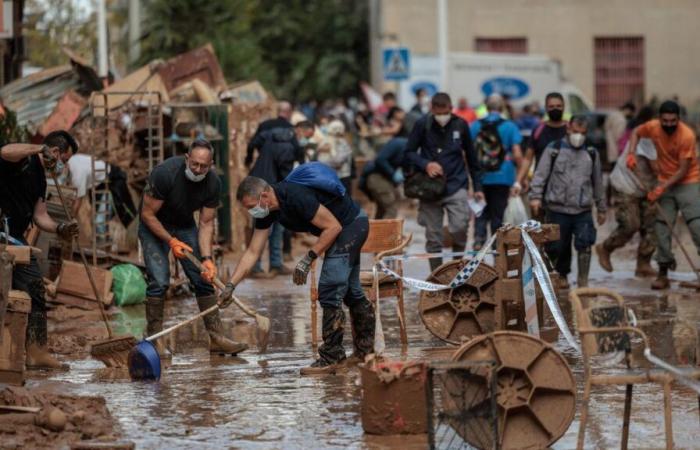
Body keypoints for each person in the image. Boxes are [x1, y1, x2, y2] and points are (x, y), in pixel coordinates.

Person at [220, 169, 375, 375]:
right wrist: (231, 285)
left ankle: (332, 357)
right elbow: (252, 251)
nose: (251, 212)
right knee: (351, 291)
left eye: (251, 207)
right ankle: (365, 353)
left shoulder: (294, 196)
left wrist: (307, 259)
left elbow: (333, 227)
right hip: (343, 228)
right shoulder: (267, 211)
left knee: (330, 288)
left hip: (351, 226)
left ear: (264, 195)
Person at [139, 139, 247, 357]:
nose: (198, 170)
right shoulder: (165, 173)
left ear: (211, 164)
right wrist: (171, 241)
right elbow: (147, 214)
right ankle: (154, 341)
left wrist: (206, 258)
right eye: (194, 164)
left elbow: (206, 223)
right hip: (155, 225)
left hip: (184, 224)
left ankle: (216, 338)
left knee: (203, 278)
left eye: (204, 166)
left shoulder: (213, 183)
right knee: (159, 281)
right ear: (187, 158)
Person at [0, 131, 80, 369]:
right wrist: (38, 149)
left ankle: (36, 352)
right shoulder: (22, 160)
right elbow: (4, 151)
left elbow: (40, 215)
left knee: (35, 288)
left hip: (15, 238)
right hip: (1, 233)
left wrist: (60, 228)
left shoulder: (42, 179)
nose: (63, 166)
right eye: (64, 160)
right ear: (54, 153)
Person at [404, 92, 484, 270]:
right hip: (430, 188)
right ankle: (437, 275)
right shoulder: (422, 124)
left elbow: (472, 159)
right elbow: (408, 152)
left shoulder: (461, 125)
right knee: (433, 236)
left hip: (457, 185)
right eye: (438, 113)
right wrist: (426, 164)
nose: (442, 117)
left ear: (451, 109)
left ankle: (457, 268)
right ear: (432, 110)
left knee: (460, 228)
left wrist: (478, 187)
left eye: (444, 112)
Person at [625, 100, 700, 290]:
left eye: (672, 121)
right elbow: (635, 132)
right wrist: (631, 153)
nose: (668, 124)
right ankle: (663, 272)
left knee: (696, 223)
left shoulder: (687, 136)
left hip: (688, 181)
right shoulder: (652, 127)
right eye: (665, 120)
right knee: (662, 226)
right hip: (665, 180)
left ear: (678, 119)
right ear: (660, 119)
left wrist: (661, 187)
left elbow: (683, 169)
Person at [529, 116, 606, 288]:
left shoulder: (591, 153)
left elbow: (598, 182)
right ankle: (559, 278)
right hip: (557, 208)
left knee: (585, 244)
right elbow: (540, 175)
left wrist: (602, 208)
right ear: (568, 129)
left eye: (582, 133)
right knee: (556, 246)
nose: (578, 136)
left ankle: (583, 283)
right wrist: (535, 197)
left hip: (582, 209)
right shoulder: (554, 149)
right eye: (575, 131)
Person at [596, 106, 657, 278]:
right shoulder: (648, 136)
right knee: (631, 224)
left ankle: (643, 264)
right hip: (626, 184)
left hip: (647, 187)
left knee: (652, 225)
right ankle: (606, 247)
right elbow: (658, 167)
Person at [246, 117, 306, 278]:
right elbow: (285, 174)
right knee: (271, 227)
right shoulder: (287, 147)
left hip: (257, 184)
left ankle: (270, 264)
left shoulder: (269, 138)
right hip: (269, 189)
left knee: (264, 226)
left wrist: (248, 159)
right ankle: (261, 266)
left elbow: (251, 144)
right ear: (298, 131)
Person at [470, 94, 524, 249]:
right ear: (502, 108)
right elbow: (518, 154)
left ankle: (479, 241)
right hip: (503, 176)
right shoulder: (510, 126)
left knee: (480, 212)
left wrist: (471, 176)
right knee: (498, 215)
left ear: (486, 107)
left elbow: (467, 153)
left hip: (480, 176)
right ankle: (497, 249)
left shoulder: (474, 126)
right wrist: (521, 177)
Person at [517, 92, 569, 197]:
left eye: (558, 106)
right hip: (542, 187)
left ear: (564, 107)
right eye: (551, 106)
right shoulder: (538, 130)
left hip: (567, 187)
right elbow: (527, 158)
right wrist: (518, 181)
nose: (555, 109)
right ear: (545, 108)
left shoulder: (571, 130)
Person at [360, 137, 407, 219]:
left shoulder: (411, 148)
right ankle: (386, 231)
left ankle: (377, 231)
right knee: (391, 208)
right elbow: (380, 159)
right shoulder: (398, 143)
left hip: (385, 178)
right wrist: (392, 174)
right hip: (376, 176)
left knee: (383, 209)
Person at [245, 101, 294, 168]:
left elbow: (251, 144)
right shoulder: (290, 128)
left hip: (264, 164)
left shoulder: (264, 125)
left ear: (277, 111)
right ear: (289, 112)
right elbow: (297, 149)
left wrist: (249, 159)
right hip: (283, 168)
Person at [316, 119, 353, 194]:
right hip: (329, 177)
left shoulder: (343, 143)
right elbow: (320, 160)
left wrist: (329, 151)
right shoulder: (325, 141)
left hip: (342, 177)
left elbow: (338, 161)